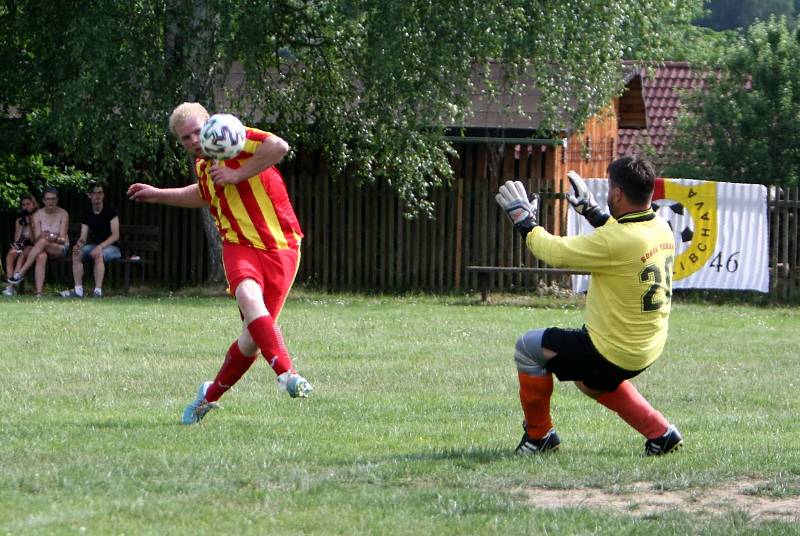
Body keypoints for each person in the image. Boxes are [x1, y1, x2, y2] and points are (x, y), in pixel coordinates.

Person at [127, 102, 312, 425]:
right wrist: (159, 194)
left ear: (210, 123)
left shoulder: (236, 137)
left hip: (281, 246)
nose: (195, 140)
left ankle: (208, 396)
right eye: (186, 138)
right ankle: (287, 374)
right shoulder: (202, 165)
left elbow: (278, 146)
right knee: (247, 297)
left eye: (198, 131)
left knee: (252, 339)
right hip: (238, 245)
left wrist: (237, 173)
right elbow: (205, 194)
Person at [494, 156, 683, 456]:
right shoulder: (660, 227)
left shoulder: (616, 241)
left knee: (528, 348)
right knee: (591, 382)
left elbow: (553, 252)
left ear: (618, 194)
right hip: (647, 346)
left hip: (612, 350)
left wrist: (525, 220)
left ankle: (539, 437)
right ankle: (661, 433)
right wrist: (592, 212)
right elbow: (622, 238)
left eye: (610, 189)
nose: (608, 194)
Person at [60, 181, 121, 298]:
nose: (97, 196)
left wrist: (100, 246)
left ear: (103, 195)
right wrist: (78, 245)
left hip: (113, 247)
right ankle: (78, 290)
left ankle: (97, 291)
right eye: (94, 193)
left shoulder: (111, 211)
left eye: (100, 193)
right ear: (89, 195)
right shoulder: (87, 213)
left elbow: (115, 235)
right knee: (76, 253)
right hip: (95, 245)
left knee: (98, 254)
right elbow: (83, 237)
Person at [7, 188, 70, 297]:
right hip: (41, 248)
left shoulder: (63, 214)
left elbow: (63, 239)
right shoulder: (38, 215)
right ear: (44, 201)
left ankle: (20, 273)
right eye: (48, 199)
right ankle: (39, 293)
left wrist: (52, 237)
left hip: (59, 248)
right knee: (41, 255)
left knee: (43, 242)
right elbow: (36, 239)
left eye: (53, 199)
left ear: (57, 200)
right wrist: (43, 236)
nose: (51, 202)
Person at [3, 194, 39, 296]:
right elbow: (17, 239)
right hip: (22, 245)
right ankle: (11, 287)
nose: (26, 207)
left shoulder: (37, 218)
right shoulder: (19, 220)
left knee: (22, 256)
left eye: (28, 204)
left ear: (34, 204)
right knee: (11, 254)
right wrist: (22, 224)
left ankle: (12, 283)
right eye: (23, 205)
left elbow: (34, 240)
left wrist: (31, 224)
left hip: (32, 246)